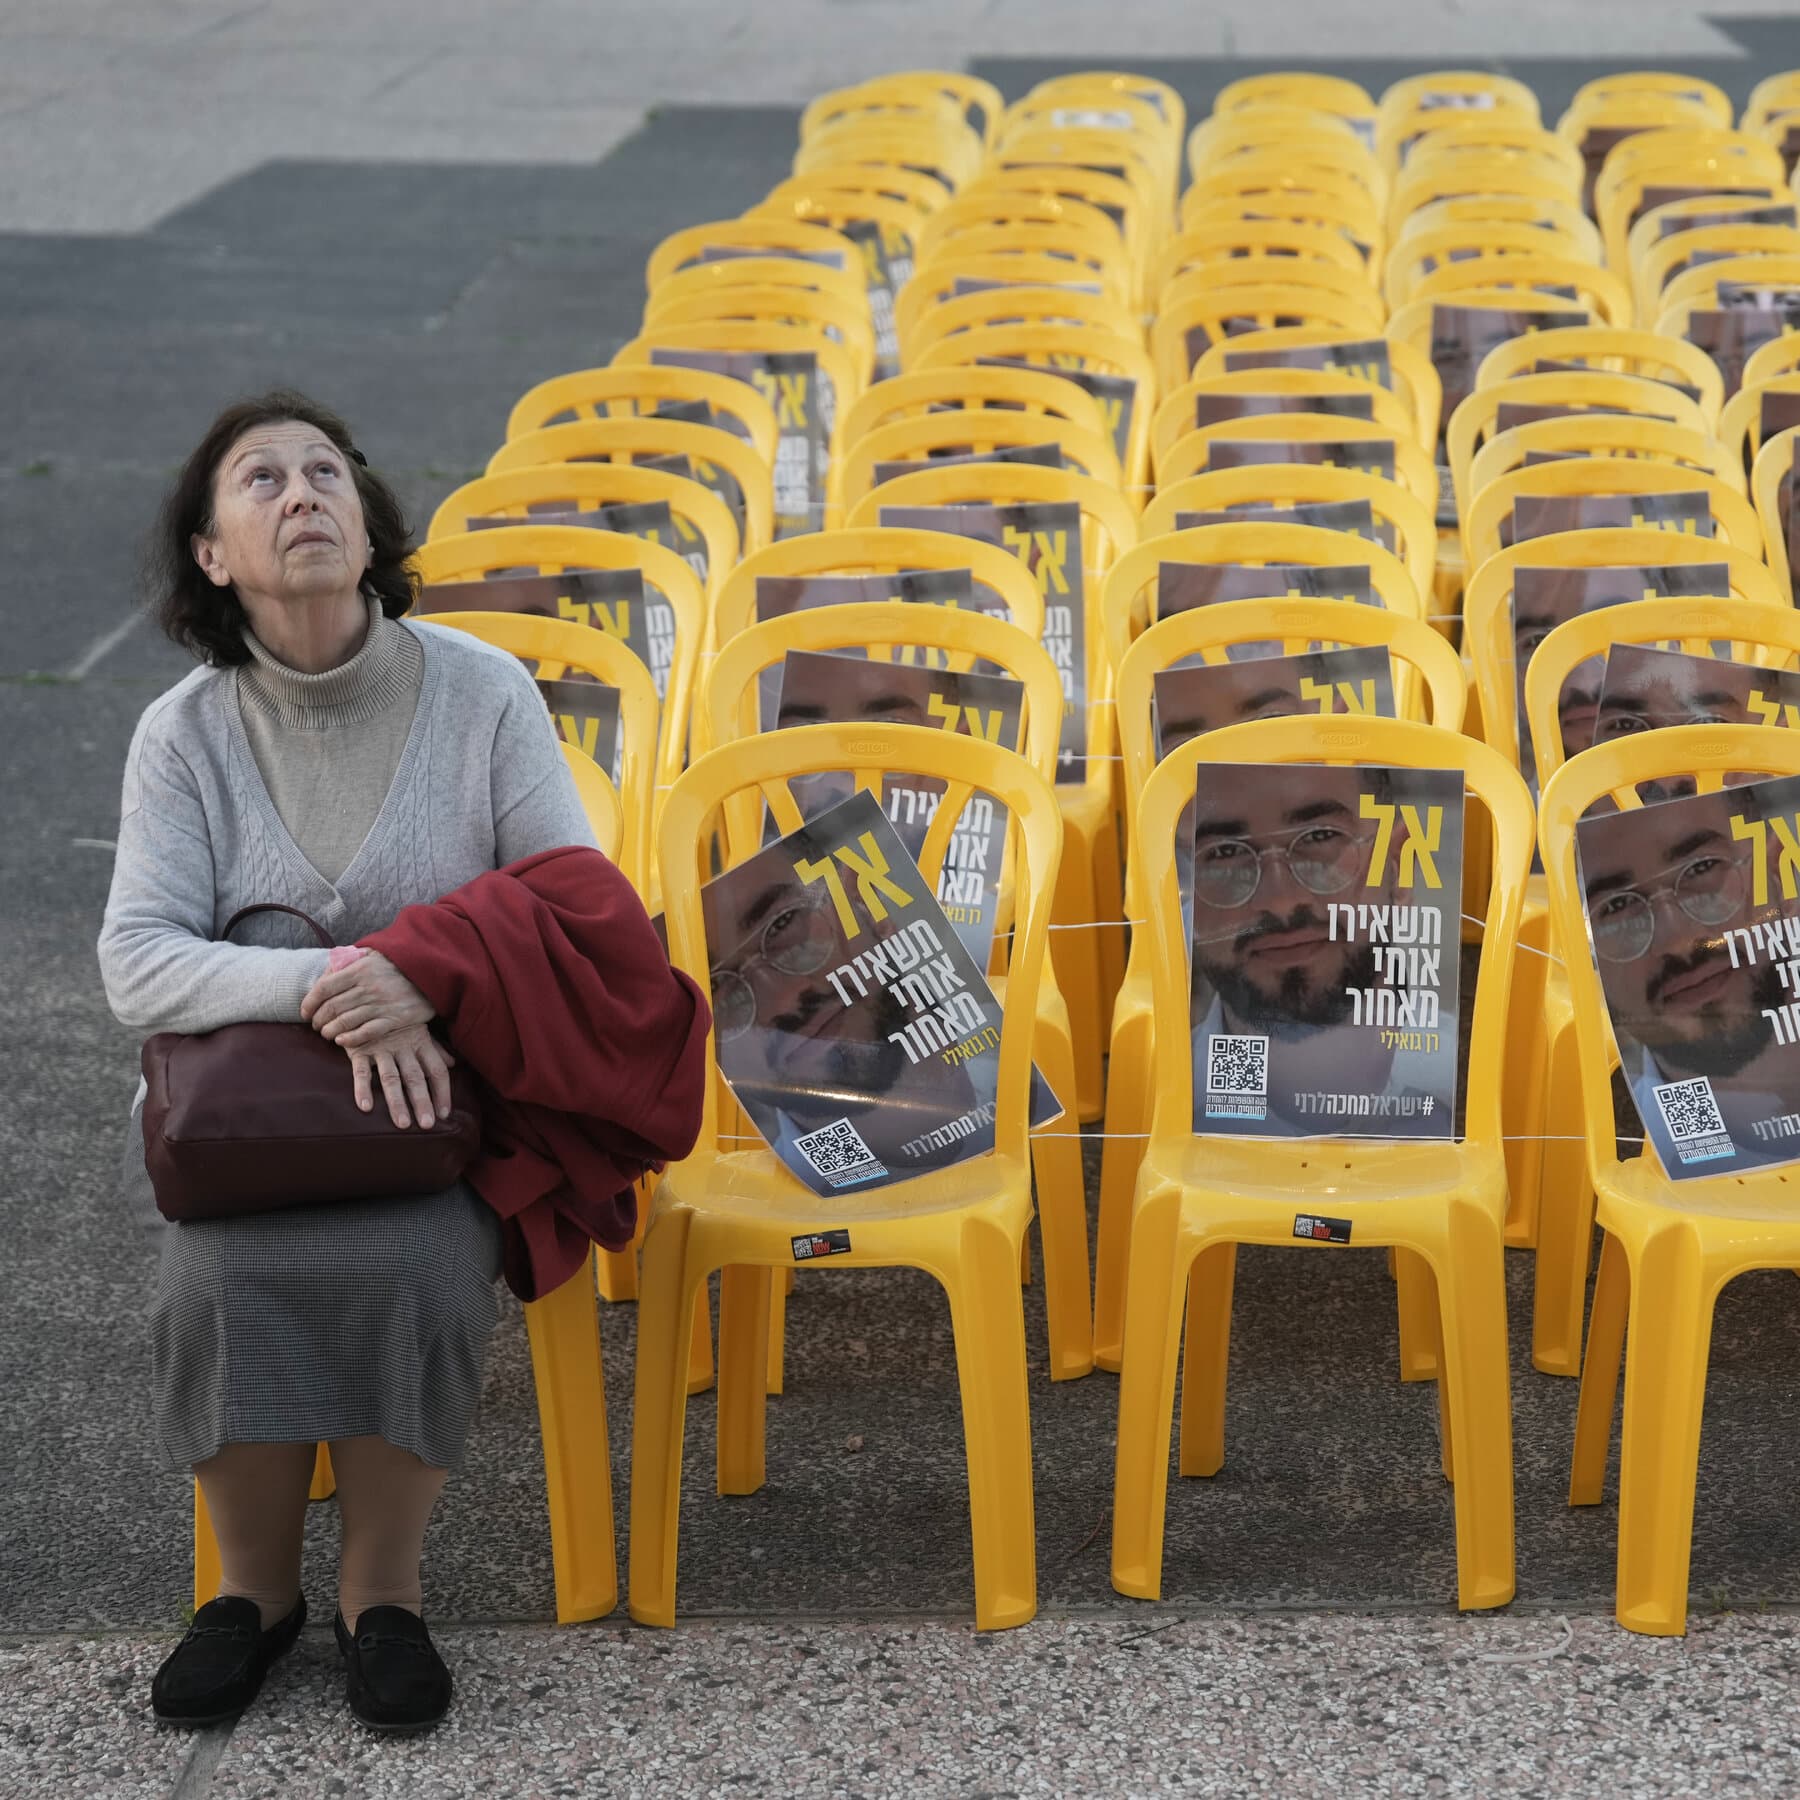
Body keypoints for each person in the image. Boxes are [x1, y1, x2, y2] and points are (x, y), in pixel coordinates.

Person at [98, 391, 596, 1733]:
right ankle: (253, 1597)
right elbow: (137, 959)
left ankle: (385, 1590)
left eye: (325, 471)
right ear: (213, 555)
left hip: (433, 1123)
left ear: (369, 524)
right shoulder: (185, 733)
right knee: (212, 1280)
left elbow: (575, 898)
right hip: (247, 1130)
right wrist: (336, 984)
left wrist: (423, 978)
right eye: (257, 481)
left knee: (420, 1269)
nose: (299, 492)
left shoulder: (483, 691)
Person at [701, 820, 993, 1185]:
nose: (783, 1000)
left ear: (867, 906)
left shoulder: (1013, 1074)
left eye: (783, 924)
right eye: (715, 986)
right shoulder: (768, 1222)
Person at [1188, 765, 1457, 1135]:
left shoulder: (1472, 1089)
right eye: (1226, 852)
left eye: (1320, 836)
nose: (1281, 902)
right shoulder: (1165, 1100)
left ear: (1399, 867)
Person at [1580, 783, 1798, 1173]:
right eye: (1616, 906)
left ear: (1777, 866)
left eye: (1702, 868)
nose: (1678, 940)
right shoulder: (1690, 1150)